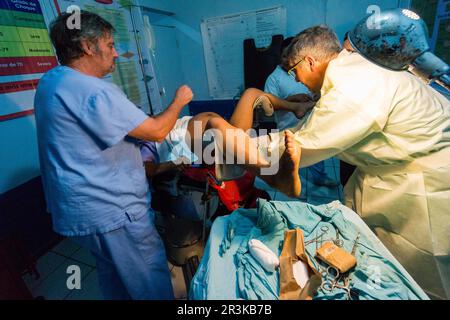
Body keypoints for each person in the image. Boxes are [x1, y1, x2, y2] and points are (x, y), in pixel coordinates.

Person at [277, 25, 449, 299]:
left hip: (427, 185)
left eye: (294, 71)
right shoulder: (356, 67)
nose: (297, 80)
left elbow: (303, 144)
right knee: (358, 224)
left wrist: (238, 145)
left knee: (422, 275)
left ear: (309, 62)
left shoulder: (350, 87)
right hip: (394, 169)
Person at [34, 11, 194, 300]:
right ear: (87, 46)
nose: (116, 53)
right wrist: (178, 101)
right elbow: (158, 131)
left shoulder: (52, 81)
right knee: (148, 278)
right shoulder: (95, 91)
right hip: (113, 211)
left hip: (81, 211)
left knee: (114, 273)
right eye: (109, 45)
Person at [140, 87, 314, 198]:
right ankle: (274, 177)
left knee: (251, 94)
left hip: (203, 134)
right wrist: (173, 164)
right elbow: (147, 169)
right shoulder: (143, 145)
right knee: (212, 122)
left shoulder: (151, 124)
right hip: (190, 144)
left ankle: (294, 106)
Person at [264, 37, 338, 188]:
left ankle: (320, 179)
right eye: (286, 55)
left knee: (315, 156)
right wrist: (293, 101)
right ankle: (289, 183)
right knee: (290, 160)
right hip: (288, 128)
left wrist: (316, 96)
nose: (298, 79)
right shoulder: (274, 79)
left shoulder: (307, 68)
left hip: (310, 122)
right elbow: (268, 107)